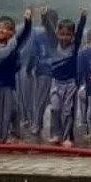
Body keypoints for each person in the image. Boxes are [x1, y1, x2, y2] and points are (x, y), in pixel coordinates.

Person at [0, 11, 33, 143]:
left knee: (5, 115)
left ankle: (2, 139)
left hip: (7, 85)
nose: (1, 30)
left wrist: (27, 21)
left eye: (3, 28)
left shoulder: (13, 45)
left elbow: (24, 34)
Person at [46, 8, 88, 146]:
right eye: (61, 34)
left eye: (68, 35)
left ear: (72, 36)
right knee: (54, 109)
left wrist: (82, 18)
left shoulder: (74, 48)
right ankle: (55, 134)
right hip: (56, 83)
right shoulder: (53, 45)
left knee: (67, 112)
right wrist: (44, 16)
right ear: (57, 34)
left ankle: (67, 137)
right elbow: (49, 30)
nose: (64, 37)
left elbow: (80, 33)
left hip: (70, 84)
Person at [28, 7, 55, 137]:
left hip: (49, 74)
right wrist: (29, 68)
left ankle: (37, 126)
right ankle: (39, 126)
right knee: (43, 102)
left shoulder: (56, 36)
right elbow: (33, 55)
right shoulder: (40, 36)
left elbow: (33, 55)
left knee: (41, 102)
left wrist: (44, 17)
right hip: (45, 73)